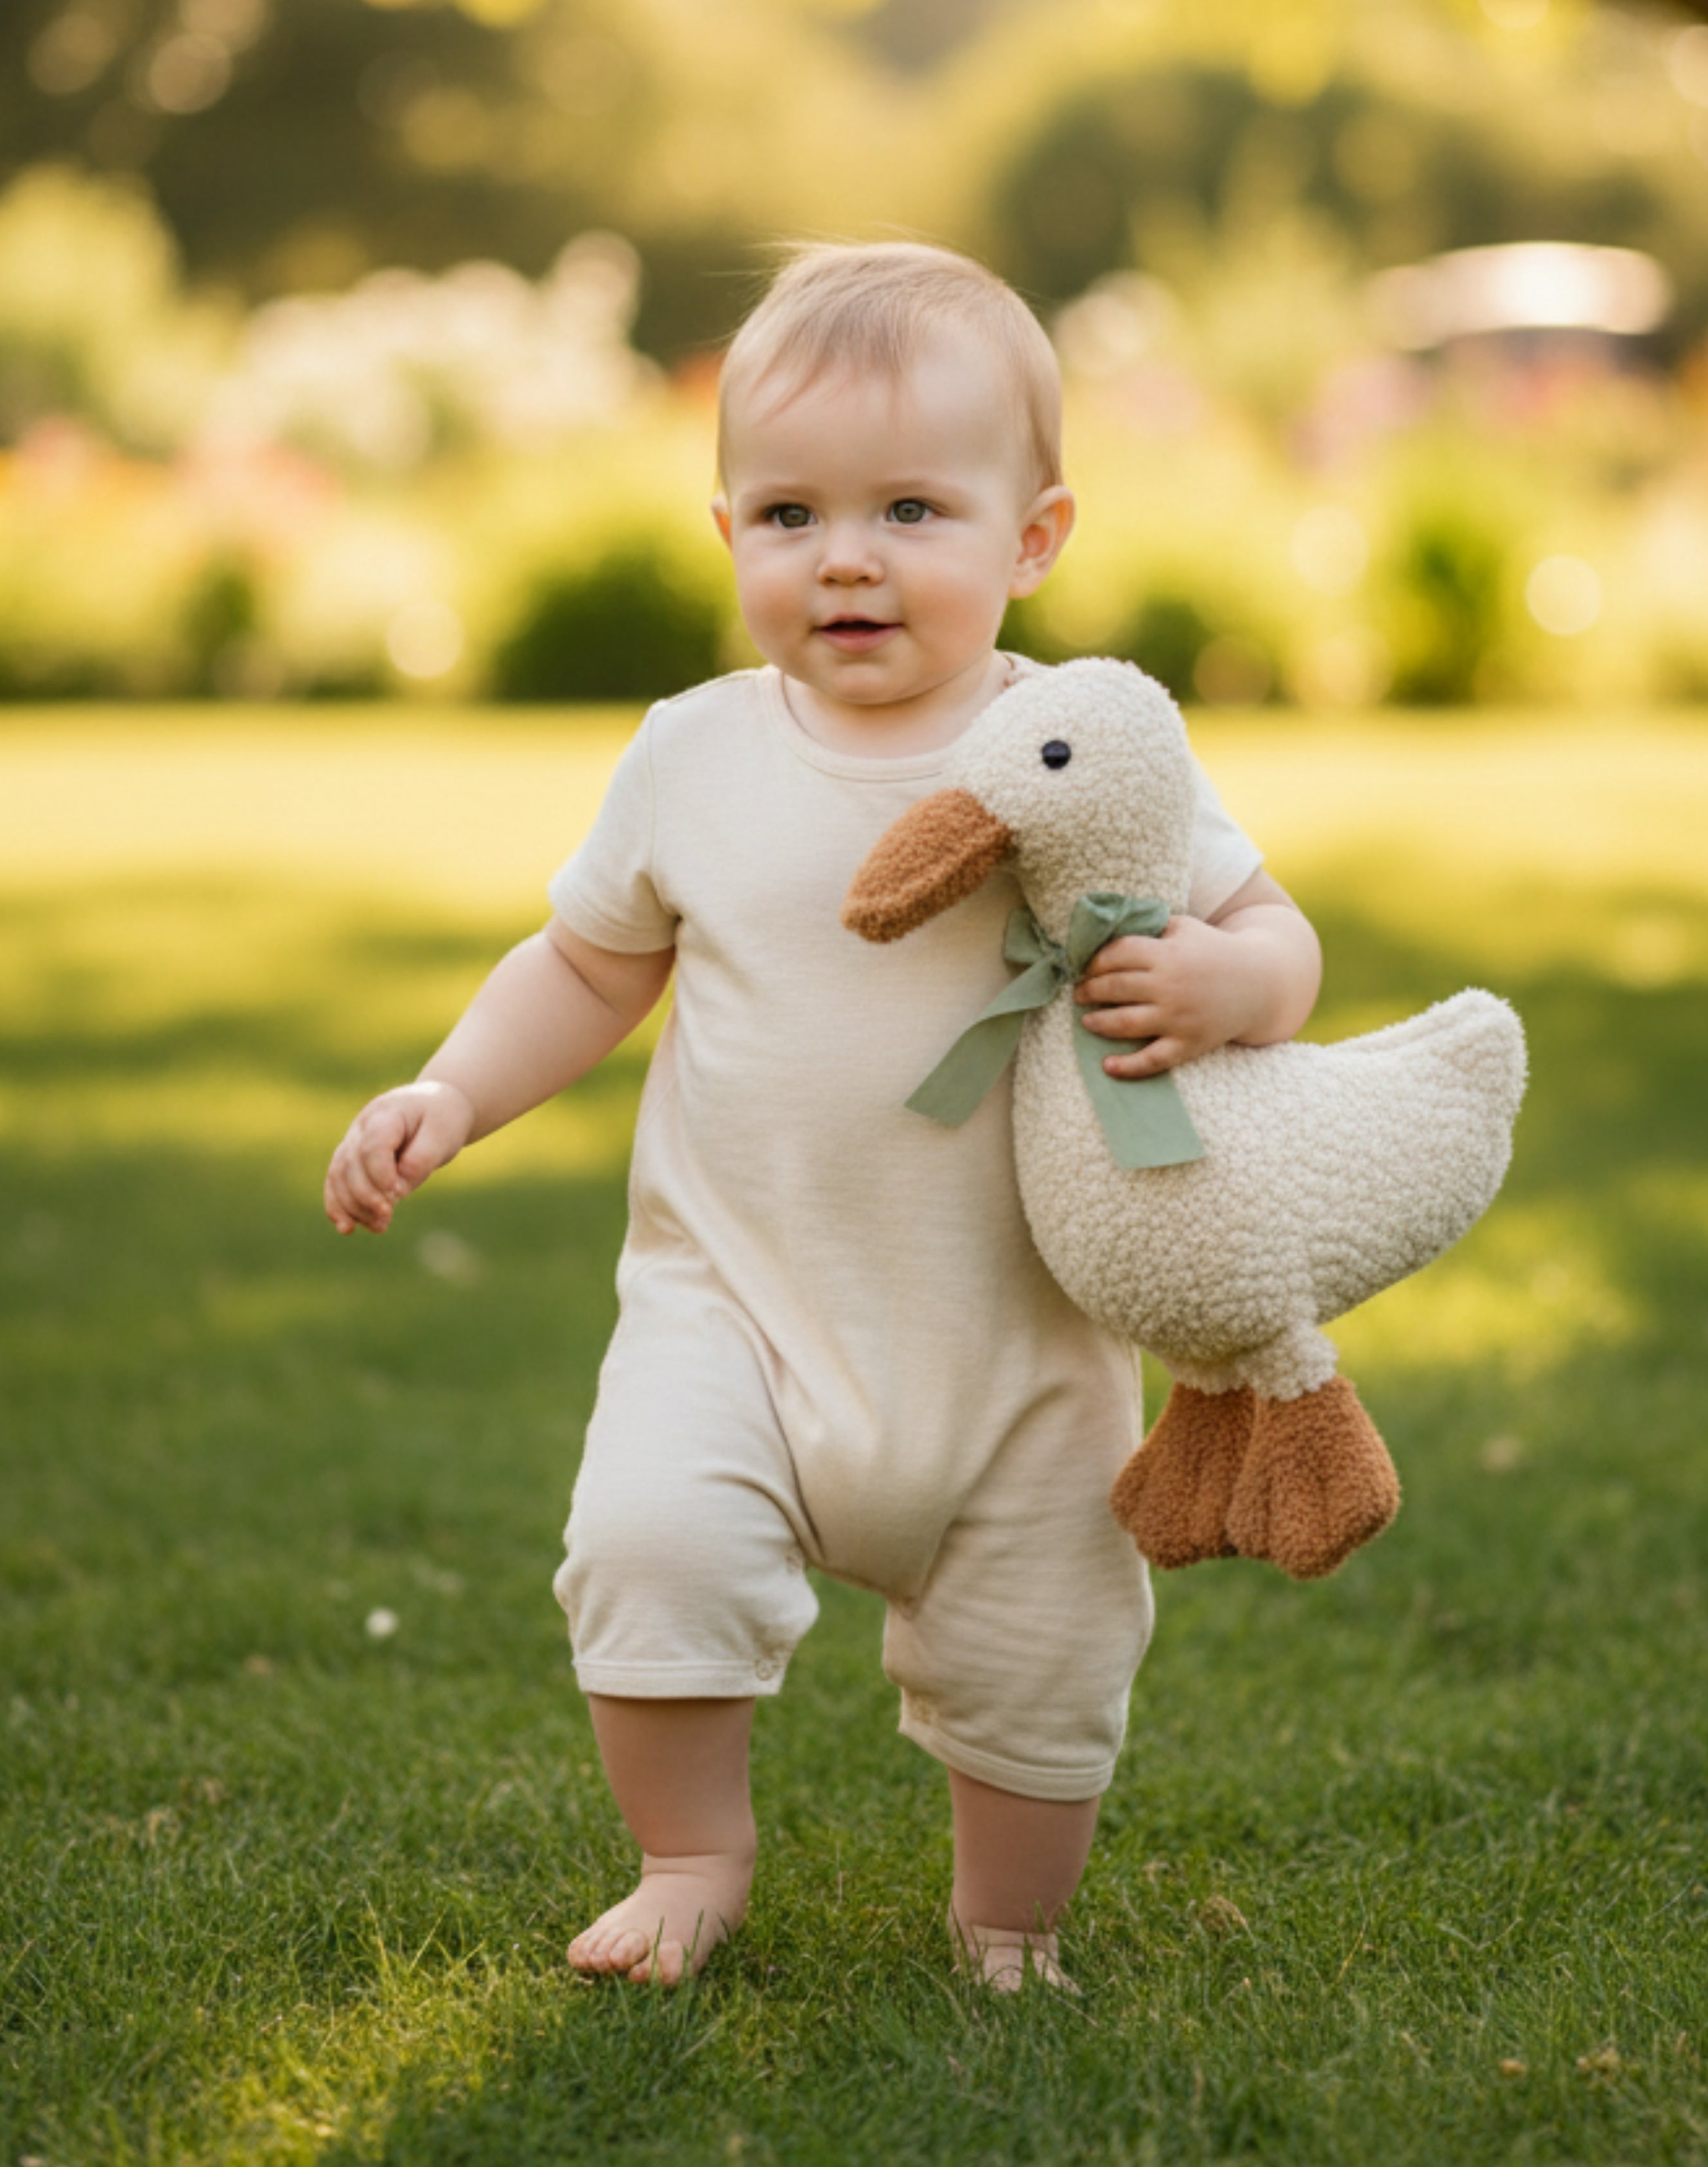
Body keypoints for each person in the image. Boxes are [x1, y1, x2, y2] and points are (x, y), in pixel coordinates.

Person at [322, 241, 1323, 1991]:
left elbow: (1276, 935)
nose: (846, 556)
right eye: (790, 514)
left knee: (1048, 1654)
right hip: (736, 1302)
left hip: (1019, 1342)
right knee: (648, 1547)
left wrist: (1227, 985)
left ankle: (1009, 1923)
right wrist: (452, 1089)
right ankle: (690, 1857)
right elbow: (587, 964)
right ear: (729, 534)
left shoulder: (1082, 751)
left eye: (912, 510)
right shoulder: (695, 755)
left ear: (1034, 538)